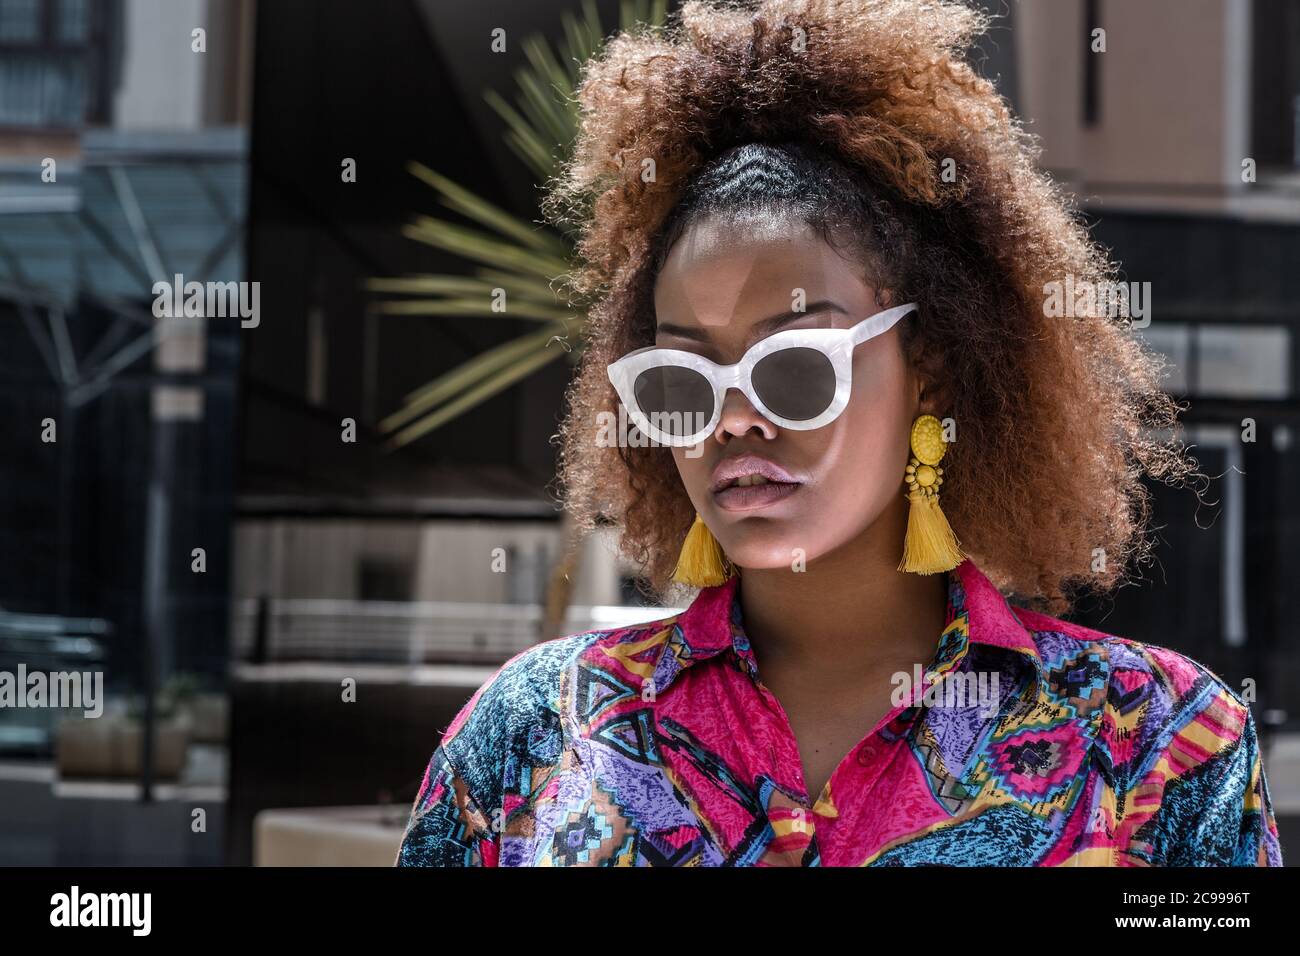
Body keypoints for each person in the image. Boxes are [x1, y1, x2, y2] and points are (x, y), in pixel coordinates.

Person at [394, 0, 1282, 866]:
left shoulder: (1156, 745)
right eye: (681, 382)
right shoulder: (532, 734)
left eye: (795, 366)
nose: (734, 417)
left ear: (928, 367)